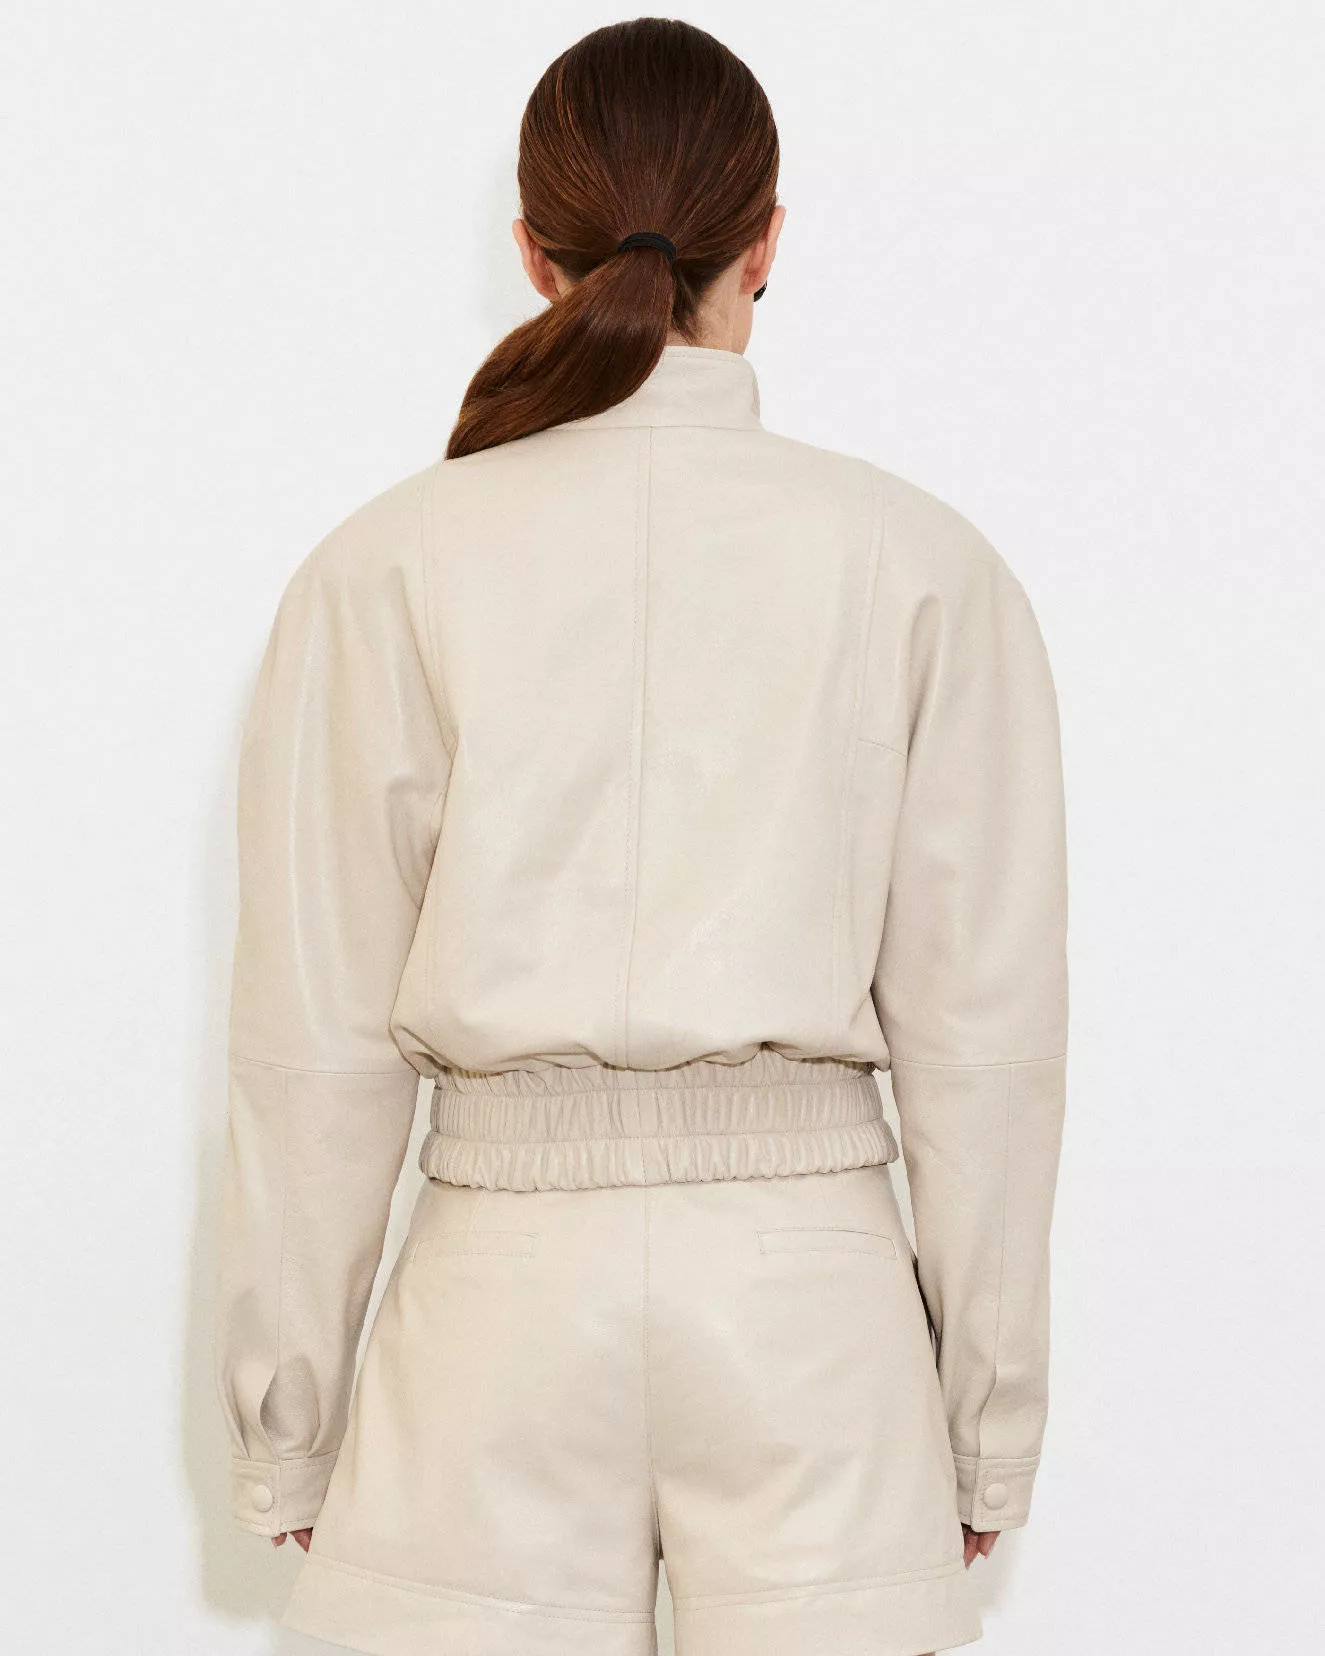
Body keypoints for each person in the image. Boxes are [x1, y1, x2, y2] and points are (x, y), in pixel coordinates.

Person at [213, 17, 1068, 1656]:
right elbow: (987, 1050)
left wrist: (289, 1419)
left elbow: (311, 1054)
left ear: (534, 251)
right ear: (769, 241)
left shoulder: (383, 565)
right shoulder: (923, 564)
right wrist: (984, 1417)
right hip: (813, 1309)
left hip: (494, 1304)